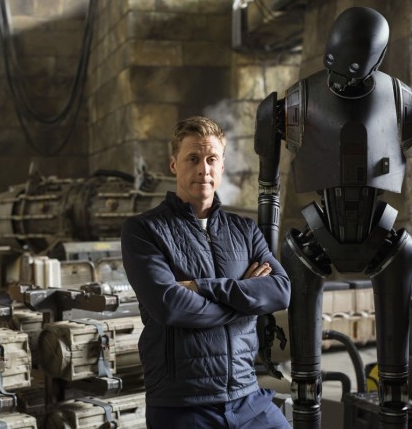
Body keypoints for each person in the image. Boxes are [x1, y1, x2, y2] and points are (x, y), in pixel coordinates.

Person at [121, 116, 292, 428]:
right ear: (174, 164)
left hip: (247, 395)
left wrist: (202, 287)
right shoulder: (144, 230)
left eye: (212, 159)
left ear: (222, 165)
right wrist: (245, 302)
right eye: (193, 158)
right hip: (183, 405)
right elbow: (170, 306)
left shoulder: (245, 230)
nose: (204, 169)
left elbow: (280, 290)